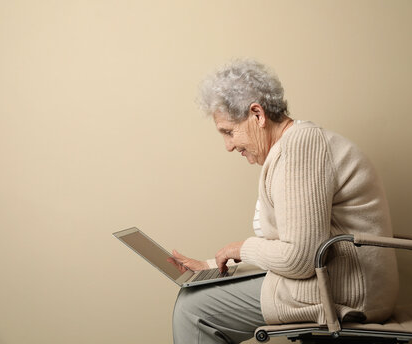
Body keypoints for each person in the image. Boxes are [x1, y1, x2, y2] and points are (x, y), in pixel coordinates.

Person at [170, 59, 398, 344]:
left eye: (229, 132)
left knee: (193, 310)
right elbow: (291, 249)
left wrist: (240, 248)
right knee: (195, 297)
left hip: (348, 293)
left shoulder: (298, 149)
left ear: (257, 114)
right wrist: (211, 267)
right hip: (340, 282)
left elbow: (301, 258)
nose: (228, 146)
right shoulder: (295, 146)